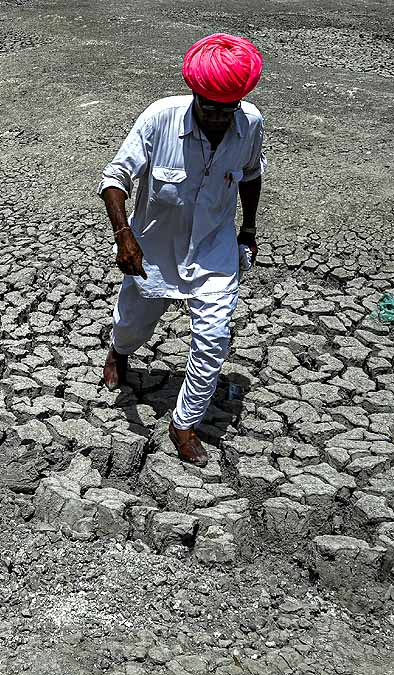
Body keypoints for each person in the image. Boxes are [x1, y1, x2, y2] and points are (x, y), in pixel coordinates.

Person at [97, 33, 266, 467]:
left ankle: (184, 422)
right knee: (133, 325)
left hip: (214, 251)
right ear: (194, 93)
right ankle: (118, 351)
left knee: (212, 339)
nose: (217, 117)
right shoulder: (159, 118)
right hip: (152, 249)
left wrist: (247, 229)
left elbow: (249, 176)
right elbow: (116, 177)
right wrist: (124, 235)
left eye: (226, 109)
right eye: (208, 107)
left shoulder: (250, 124)